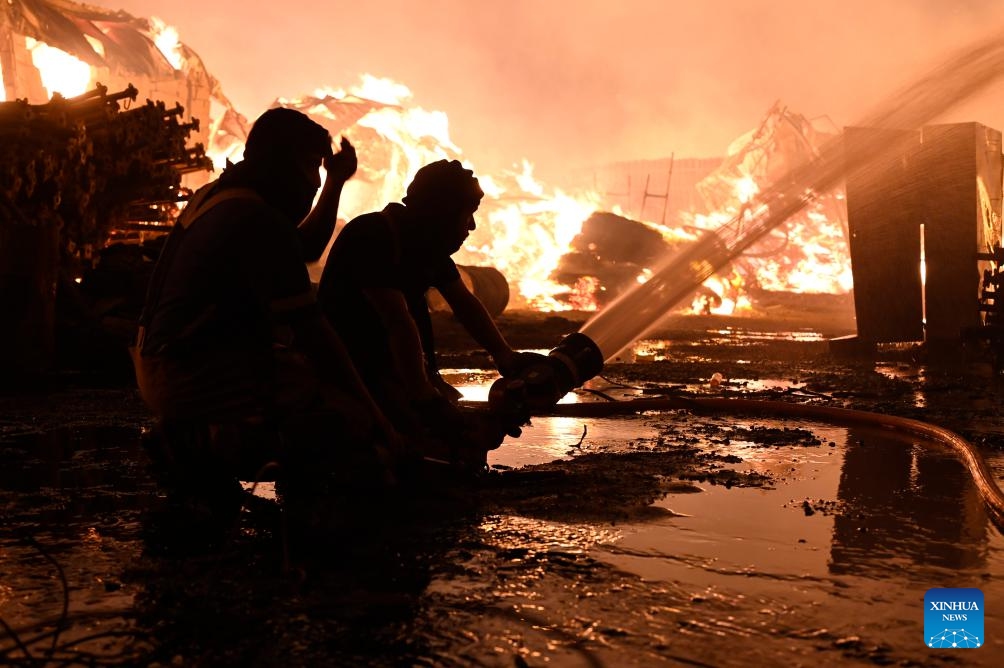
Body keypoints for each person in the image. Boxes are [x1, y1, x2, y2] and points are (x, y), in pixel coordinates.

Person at [131, 107, 399, 545]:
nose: (314, 181)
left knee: (306, 378)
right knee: (339, 417)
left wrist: (335, 182)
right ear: (288, 161)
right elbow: (317, 336)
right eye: (314, 166)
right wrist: (378, 419)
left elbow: (305, 248)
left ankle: (196, 438)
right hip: (188, 374)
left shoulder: (225, 197)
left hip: (163, 364)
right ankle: (306, 529)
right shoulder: (253, 219)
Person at [316, 159, 536, 470]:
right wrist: (425, 399)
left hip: (389, 371)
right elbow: (398, 323)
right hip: (350, 373)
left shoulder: (424, 242)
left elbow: (465, 303)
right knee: (400, 451)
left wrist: (505, 356)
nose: (471, 226)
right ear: (442, 213)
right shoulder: (375, 236)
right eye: (467, 214)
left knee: (461, 437)